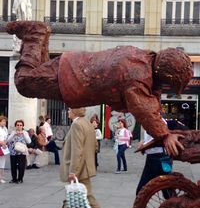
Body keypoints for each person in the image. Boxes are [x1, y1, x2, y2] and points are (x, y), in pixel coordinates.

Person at [6, 21, 194, 158]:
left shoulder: (146, 60)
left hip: (72, 68)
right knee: (24, 83)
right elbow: (144, 109)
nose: (164, 88)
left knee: (39, 70)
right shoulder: (137, 78)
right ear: (164, 75)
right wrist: (165, 135)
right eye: (168, 84)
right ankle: (35, 34)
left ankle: (40, 35)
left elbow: (152, 97)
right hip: (70, 79)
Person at [47, 108, 117, 208]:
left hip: (79, 168)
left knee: (88, 198)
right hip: (85, 166)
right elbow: (95, 146)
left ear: (75, 112)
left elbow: (77, 150)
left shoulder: (77, 125)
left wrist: (73, 171)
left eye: (69, 110)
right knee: (71, 194)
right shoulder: (87, 123)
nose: (68, 112)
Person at [119, 118, 189, 208]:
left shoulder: (159, 121)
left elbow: (160, 138)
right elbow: (154, 139)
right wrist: (144, 145)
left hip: (159, 159)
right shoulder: (150, 121)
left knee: (160, 191)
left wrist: (145, 145)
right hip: (153, 158)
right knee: (157, 191)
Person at [0, 116, 9, 183]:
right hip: (0, 144)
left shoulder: (5, 129)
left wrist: (5, 143)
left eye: (5, 121)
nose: (4, 122)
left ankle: (1, 178)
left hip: (3, 147)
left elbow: (7, 137)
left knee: (2, 163)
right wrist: (1, 142)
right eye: (3, 121)